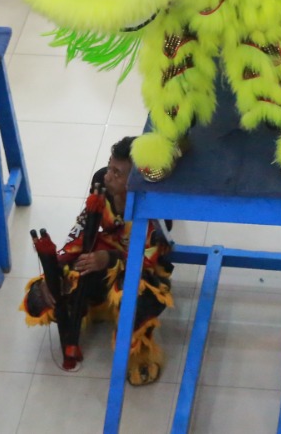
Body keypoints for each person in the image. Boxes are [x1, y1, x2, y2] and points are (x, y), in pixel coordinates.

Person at [22, 137, 175, 385]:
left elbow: (148, 261)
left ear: (135, 180)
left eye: (117, 173)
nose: (108, 176)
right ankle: (87, 309)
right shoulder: (101, 187)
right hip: (102, 255)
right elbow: (82, 231)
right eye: (109, 166)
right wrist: (56, 270)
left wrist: (110, 259)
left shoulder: (156, 210)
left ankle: (140, 353)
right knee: (43, 294)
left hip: (137, 268)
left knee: (135, 296)